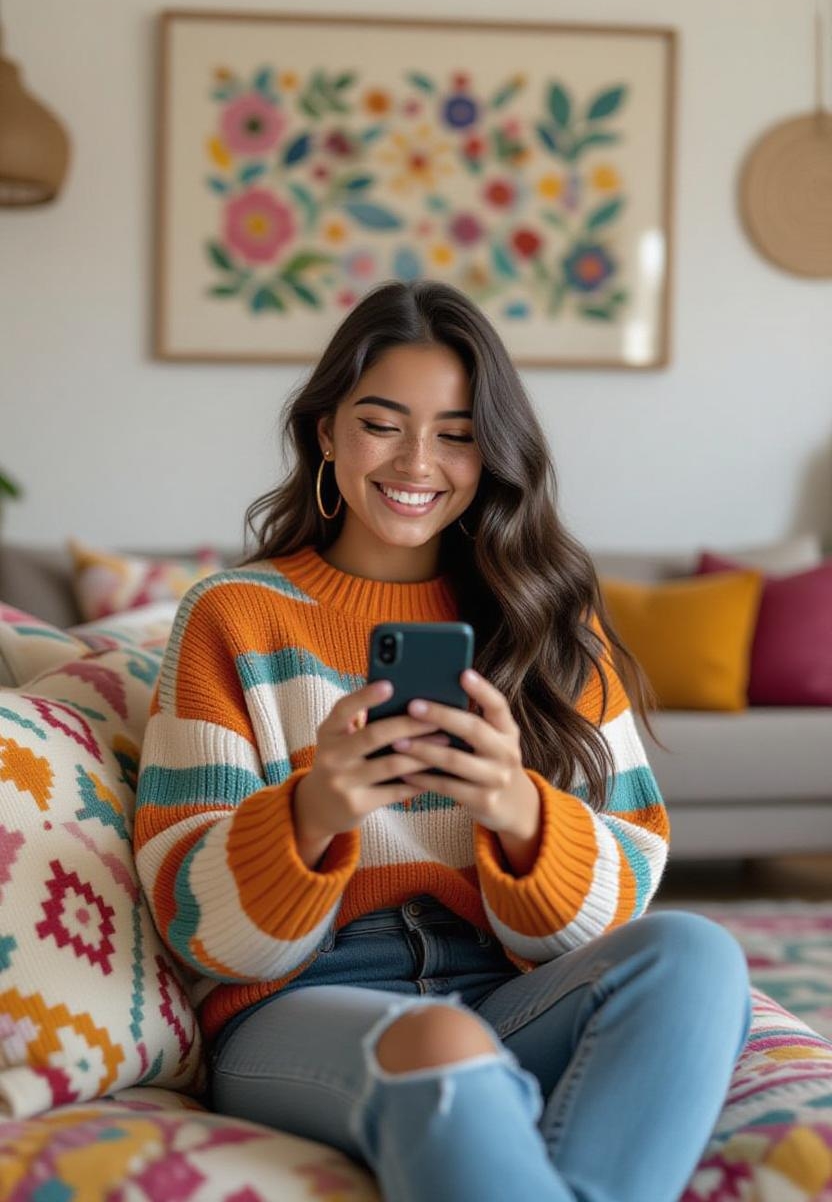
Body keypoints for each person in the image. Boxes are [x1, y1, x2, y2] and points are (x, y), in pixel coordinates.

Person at [134, 279, 752, 1202]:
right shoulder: (234, 617)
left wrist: (515, 809)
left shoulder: (551, 619)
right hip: (298, 1002)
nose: (419, 460)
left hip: (511, 989)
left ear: (491, 451)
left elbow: (629, 873)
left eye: (457, 432)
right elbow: (189, 917)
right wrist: (311, 812)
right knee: (441, 1042)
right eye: (382, 423)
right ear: (326, 433)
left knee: (699, 954)